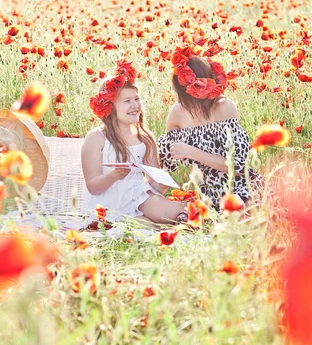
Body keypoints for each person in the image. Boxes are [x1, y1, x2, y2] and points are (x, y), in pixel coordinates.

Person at [157, 46, 262, 210]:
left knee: (238, 218)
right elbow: (166, 161)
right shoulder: (177, 112)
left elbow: (239, 165)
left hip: (242, 191)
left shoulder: (224, 106)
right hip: (208, 198)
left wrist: (191, 152)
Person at [82, 62, 186, 226]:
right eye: (127, 101)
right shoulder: (96, 138)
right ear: (109, 107)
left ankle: (187, 220)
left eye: (137, 99)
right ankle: (152, 227)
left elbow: (153, 184)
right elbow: (93, 186)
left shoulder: (144, 138)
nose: (134, 105)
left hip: (139, 195)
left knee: (165, 209)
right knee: (144, 227)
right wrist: (113, 176)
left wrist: (161, 184)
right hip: (109, 202)